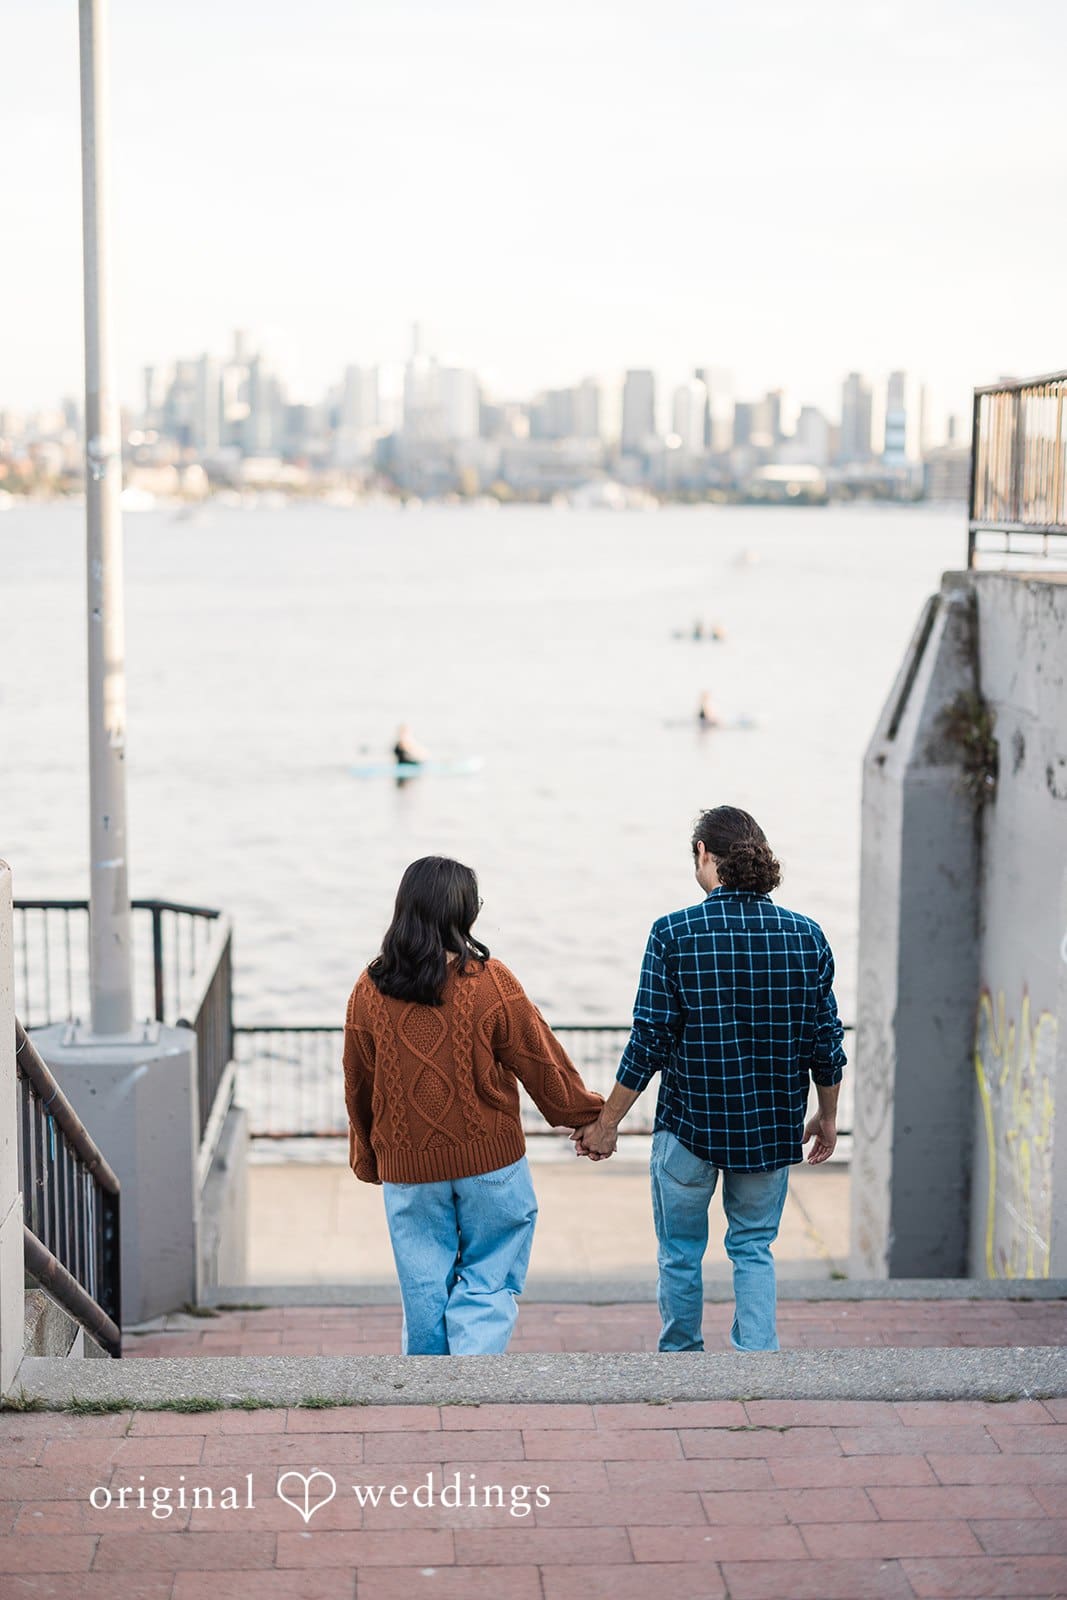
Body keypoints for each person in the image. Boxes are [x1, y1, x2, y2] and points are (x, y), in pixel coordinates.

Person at [574, 806, 845, 1353]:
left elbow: (648, 1040)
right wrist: (828, 1115)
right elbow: (826, 1041)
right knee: (753, 1248)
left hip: (688, 1129)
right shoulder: (807, 936)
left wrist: (606, 1124)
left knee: (679, 1252)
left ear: (703, 853)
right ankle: (756, 1364)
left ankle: (680, 1360)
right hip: (770, 1132)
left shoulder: (673, 934)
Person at [343, 856, 604, 1355]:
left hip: (409, 1167)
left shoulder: (368, 989)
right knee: (491, 1273)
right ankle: (471, 1377)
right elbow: (537, 1058)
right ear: (463, 912)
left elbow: (358, 1083)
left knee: (423, 1288)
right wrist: (586, 1117)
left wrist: (368, 1157)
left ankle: (429, 1393)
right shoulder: (490, 981)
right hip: (491, 1163)